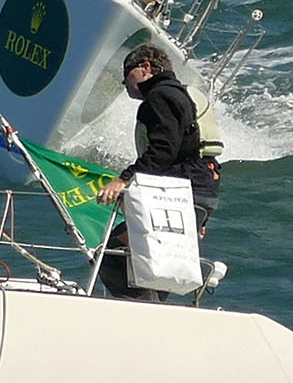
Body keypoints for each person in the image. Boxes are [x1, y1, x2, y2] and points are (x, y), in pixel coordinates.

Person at [95, 44, 225, 298]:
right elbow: (190, 148)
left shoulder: (160, 96)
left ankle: (139, 311)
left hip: (181, 193)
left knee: (112, 253)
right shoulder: (181, 93)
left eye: (127, 75)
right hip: (200, 191)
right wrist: (201, 215)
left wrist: (124, 179)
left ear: (146, 67)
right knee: (156, 259)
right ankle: (155, 306)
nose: (124, 83)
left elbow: (164, 150)